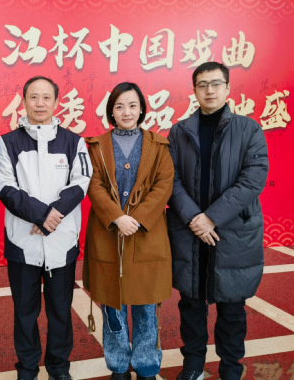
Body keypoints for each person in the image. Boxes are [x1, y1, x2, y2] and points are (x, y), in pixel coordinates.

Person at [167, 61, 269, 380]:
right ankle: (193, 365)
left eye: (215, 84)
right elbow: (170, 180)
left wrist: (211, 218)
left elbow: (253, 180)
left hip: (232, 232)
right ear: (194, 90)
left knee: (232, 307)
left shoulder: (249, 129)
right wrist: (194, 218)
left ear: (227, 88)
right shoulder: (179, 131)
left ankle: (230, 368)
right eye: (202, 85)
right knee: (191, 304)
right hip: (190, 231)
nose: (209, 90)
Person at [0, 76, 92, 380]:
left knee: (60, 311)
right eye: (33, 97)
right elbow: (4, 187)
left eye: (46, 97)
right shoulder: (7, 142)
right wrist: (40, 215)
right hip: (22, 242)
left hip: (62, 241)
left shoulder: (73, 141)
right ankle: (27, 369)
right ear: (24, 101)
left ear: (56, 102)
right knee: (25, 313)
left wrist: (53, 215)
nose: (40, 103)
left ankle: (58, 368)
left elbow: (81, 182)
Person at [83, 82, 174, 380]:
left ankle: (147, 367)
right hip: (108, 234)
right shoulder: (96, 146)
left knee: (147, 307)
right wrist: (117, 217)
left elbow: (164, 185)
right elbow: (93, 184)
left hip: (146, 235)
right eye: (119, 106)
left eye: (133, 105)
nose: (126, 112)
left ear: (142, 109)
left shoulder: (158, 146)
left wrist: (136, 218)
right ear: (111, 110)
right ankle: (119, 367)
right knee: (113, 307)